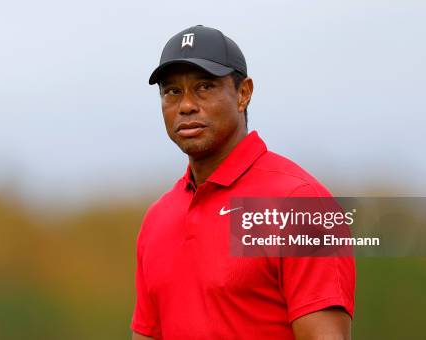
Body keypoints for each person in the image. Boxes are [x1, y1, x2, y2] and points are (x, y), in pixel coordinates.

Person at [131, 25, 355, 340]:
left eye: (204, 87)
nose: (186, 105)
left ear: (243, 93)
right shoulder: (157, 219)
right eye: (172, 91)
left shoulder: (300, 204)